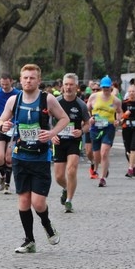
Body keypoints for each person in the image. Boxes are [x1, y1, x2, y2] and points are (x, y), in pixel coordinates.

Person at [0, 64, 69, 253]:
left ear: (39, 80)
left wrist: (52, 132)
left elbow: (64, 119)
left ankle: (47, 224)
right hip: (20, 156)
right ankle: (29, 240)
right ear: (20, 80)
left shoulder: (48, 99)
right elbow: (0, 121)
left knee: (37, 203)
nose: (28, 80)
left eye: (32, 77)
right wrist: (2, 126)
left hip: (40, 157)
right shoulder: (14, 100)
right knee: (23, 201)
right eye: (25, 77)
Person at [52, 73, 89, 213]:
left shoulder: (81, 105)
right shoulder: (55, 102)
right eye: (66, 84)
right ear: (62, 86)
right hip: (59, 141)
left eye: (71, 85)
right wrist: (51, 135)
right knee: (59, 176)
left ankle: (69, 201)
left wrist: (82, 131)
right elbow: (47, 121)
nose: (68, 87)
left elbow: (87, 124)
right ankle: (66, 188)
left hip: (74, 141)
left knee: (71, 169)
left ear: (76, 87)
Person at [86, 76, 122, 187]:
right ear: (101, 87)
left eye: (107, 87)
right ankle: (103, 167)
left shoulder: (116, 100)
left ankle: (102, 178)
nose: (106, 89)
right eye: (104, 87)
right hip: (96, 127)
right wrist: (89, 118)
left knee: (104, 153)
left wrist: (118, 120)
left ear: (111, 87)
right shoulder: (94, 97)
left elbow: (120, 112)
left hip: (109, 128)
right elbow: (87, 110)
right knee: (96, 155)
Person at [0, 73, 20, 193]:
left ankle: (7, 183)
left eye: (6, 84)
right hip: (0, 126)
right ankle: (1, 177)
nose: (4, 87)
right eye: (2, 84)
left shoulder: (18, 94)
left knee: (9, 158)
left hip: (13, 128)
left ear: (11, 82)